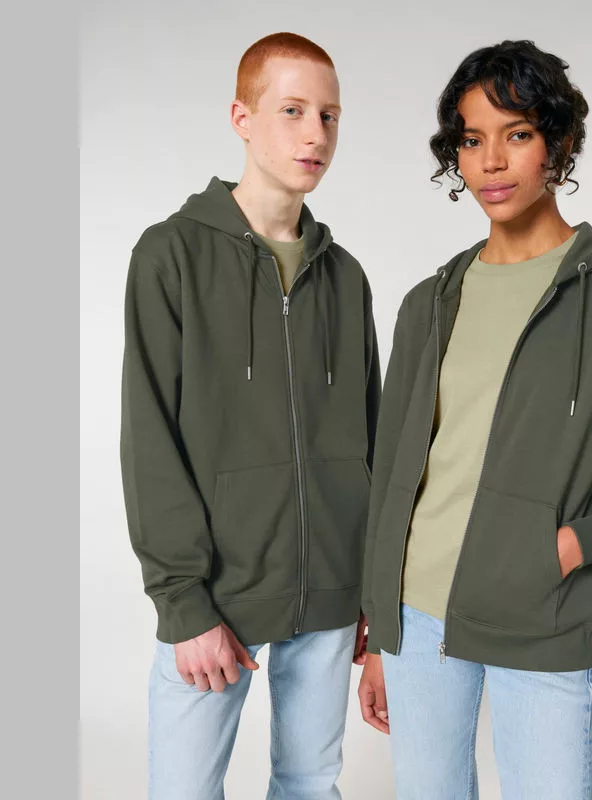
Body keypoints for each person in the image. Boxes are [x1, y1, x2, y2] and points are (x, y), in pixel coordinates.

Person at [358, 39, 592, 799]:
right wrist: (378, 629)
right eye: (471, 139)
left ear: (559, 142)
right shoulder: (430, 302)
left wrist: (573, 545)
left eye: (516, 134)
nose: (490, 162)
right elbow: (391, 475)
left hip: (542, 615)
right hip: (418, 618)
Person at [120, 32, 380, 800]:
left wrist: (372, 596)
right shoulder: (171, 256)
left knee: (310, 785)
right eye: (292, 110)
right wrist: (183, 604)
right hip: (215, 602)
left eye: (329, 115)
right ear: (242, 117)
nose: (315, 134)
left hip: (330, 597)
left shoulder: (345, 277)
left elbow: (373, 439)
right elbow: (149, 439)